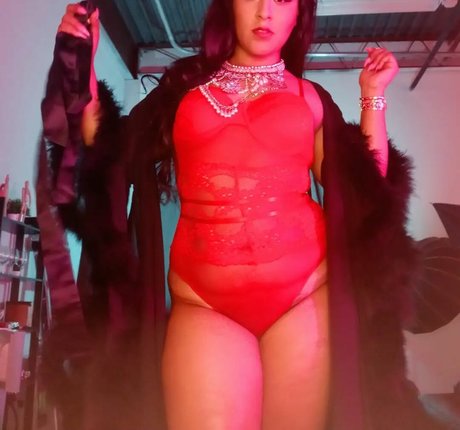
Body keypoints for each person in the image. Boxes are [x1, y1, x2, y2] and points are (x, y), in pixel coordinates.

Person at [47, 1, 446, 430]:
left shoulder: (309, 97)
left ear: (299, 15)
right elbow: (108, 151)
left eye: (282, 0)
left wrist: (373, 96)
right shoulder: (181, 90)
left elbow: (365, 188)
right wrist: (80, 67)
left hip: (303, 298)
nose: (264, 12)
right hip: (204, 305)